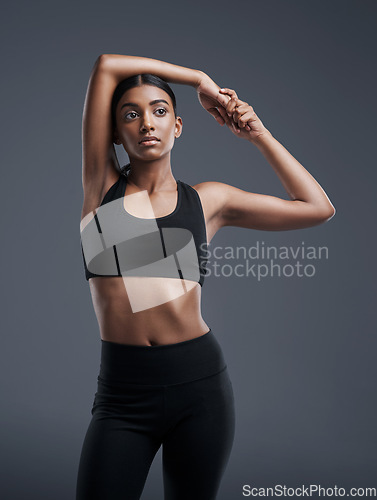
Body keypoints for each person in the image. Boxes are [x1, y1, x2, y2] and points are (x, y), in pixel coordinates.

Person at [76, 54, 336, 500]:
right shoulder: (103, 190)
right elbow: (105, 65)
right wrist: (200, 79)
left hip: (200, 390)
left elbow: (317, 208)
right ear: (116, 134)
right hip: (123, 395)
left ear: (177, 126)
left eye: (160, 111)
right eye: (131, 115)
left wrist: (258, 135)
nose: (146, 123)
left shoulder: (207, 201)